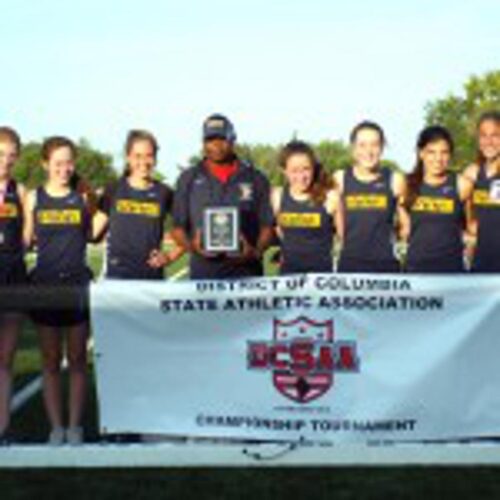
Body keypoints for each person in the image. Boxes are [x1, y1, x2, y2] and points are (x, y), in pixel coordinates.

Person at [23, 137, 92, 445]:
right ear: (45, 164)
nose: (64, 169)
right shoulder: (34, 198)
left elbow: (93, 233)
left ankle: (75, 426)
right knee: (50, 360)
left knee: (77, 359)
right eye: (58, 163)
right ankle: (56, 427)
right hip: (45, 287)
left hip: (77, 285)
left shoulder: (82, 198)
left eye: (69, 163)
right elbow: (24, 240)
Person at [171, 114, 274, 279]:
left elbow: (268, 227)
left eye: (222, 139)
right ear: (203, 143)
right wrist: (193, 248)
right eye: (210, 140)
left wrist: (255, 253)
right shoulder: (187, 178)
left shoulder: (256, 178)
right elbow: (177, 228)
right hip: (203, 276)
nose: (216, 145)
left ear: (233, 140)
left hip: (247, 275)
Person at [93, 130, 179, 280]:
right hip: (115, 279)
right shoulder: (113, 190)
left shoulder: (164, 193)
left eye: (149, 156)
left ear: (155, 158)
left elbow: (190, 231)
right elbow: (91, 233)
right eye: (137, 156)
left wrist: (169, 257)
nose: (144, 162)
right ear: (128, 157)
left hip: (151, 281)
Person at [335, 121, 407, 273]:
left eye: (375, 145)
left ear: (382, 147)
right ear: (353, 149)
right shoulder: (339, 179)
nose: (369, 151)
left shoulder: (396, 180)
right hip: (349, 265)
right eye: (362, 145)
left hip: (386, 265)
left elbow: (406, 227)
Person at [404, 126, 473, 273]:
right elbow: (404, 231)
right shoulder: (406, 185)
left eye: (444, 152)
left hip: (451, 273)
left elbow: (472, 228)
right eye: (431, 152)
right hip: (415, 271)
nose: (438, 159)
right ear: (421, 153)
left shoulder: (462, 185)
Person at [271, 140, 343, 274]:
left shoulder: (331, 197)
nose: (301, 176)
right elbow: (279, 231)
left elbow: (344, 239)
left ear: (314, 168)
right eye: (294, 171)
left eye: (306, 169)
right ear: (284, 171)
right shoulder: (277, 196)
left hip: (321, 278)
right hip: (288, 278)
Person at [0, 127, 26, 443]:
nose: (4, 161)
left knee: (5, 358)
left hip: (14, 275)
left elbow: (27, 238)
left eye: (10, 155)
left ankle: (2, 429)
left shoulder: (20, 192)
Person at [463, 111, 500, 272]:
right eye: (484, 135)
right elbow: (466, 220)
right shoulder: (471, 174)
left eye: (495, 135)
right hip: (480, 266)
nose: (489, 141)